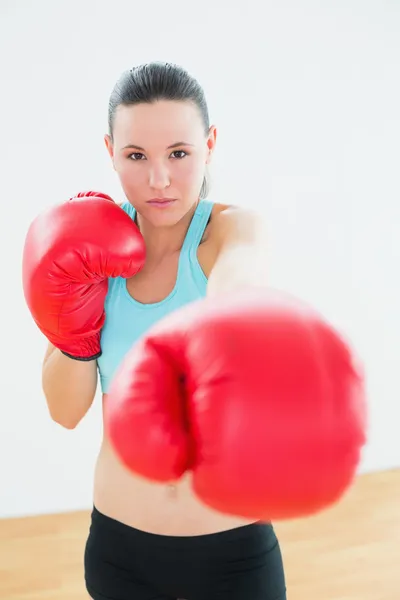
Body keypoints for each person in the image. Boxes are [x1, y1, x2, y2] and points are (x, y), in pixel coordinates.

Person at [22, 62, 366, 599]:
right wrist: (74, 326)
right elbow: (66, 413)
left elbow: (237, 287)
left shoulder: (231, 231)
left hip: (232, 553)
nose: (159, 179)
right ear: (110, 151)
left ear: (209, 143)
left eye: (178, 153)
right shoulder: (89, 248)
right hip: (120, 550)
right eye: (137, 156)